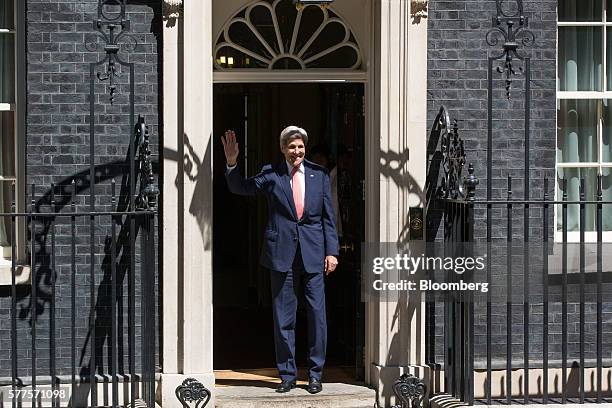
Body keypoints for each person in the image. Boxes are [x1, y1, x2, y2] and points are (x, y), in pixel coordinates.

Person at [221, 126, 339, 394]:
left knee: (317, 316)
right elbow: (241, 188)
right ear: (283, 149)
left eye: (300, 147)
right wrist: (231, 163)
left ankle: (315, 374)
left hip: (314, 254)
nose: (296, 151)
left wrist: (332, 251)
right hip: (282, 254)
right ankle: (287, 374)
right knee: (283, 317)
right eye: (291, 147)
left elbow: (328, 218)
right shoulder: (271, 174)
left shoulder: (319, 175)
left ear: (304, 148)